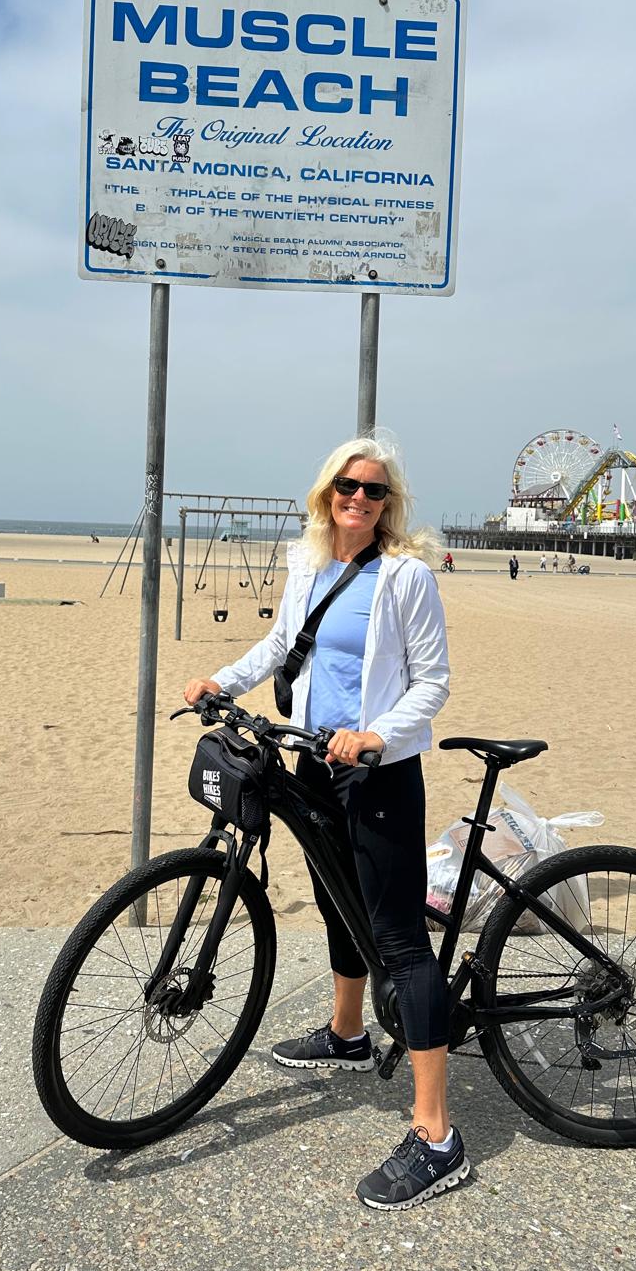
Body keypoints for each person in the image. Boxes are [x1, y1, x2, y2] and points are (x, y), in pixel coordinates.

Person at [183, 436, 464, 1209]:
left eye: (374, 491)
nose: (359, 499)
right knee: (341, 906)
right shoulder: (306, 559)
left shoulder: (407, 576)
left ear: (389, 504)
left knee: (401, 942)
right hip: (312, 759)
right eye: (348, 486)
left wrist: (377, 737)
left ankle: (438, 1135)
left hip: (377, 775)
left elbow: (432, 682)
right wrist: (222, 678)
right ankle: (347, 1036)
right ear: (326, 492)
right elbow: (282, 645)